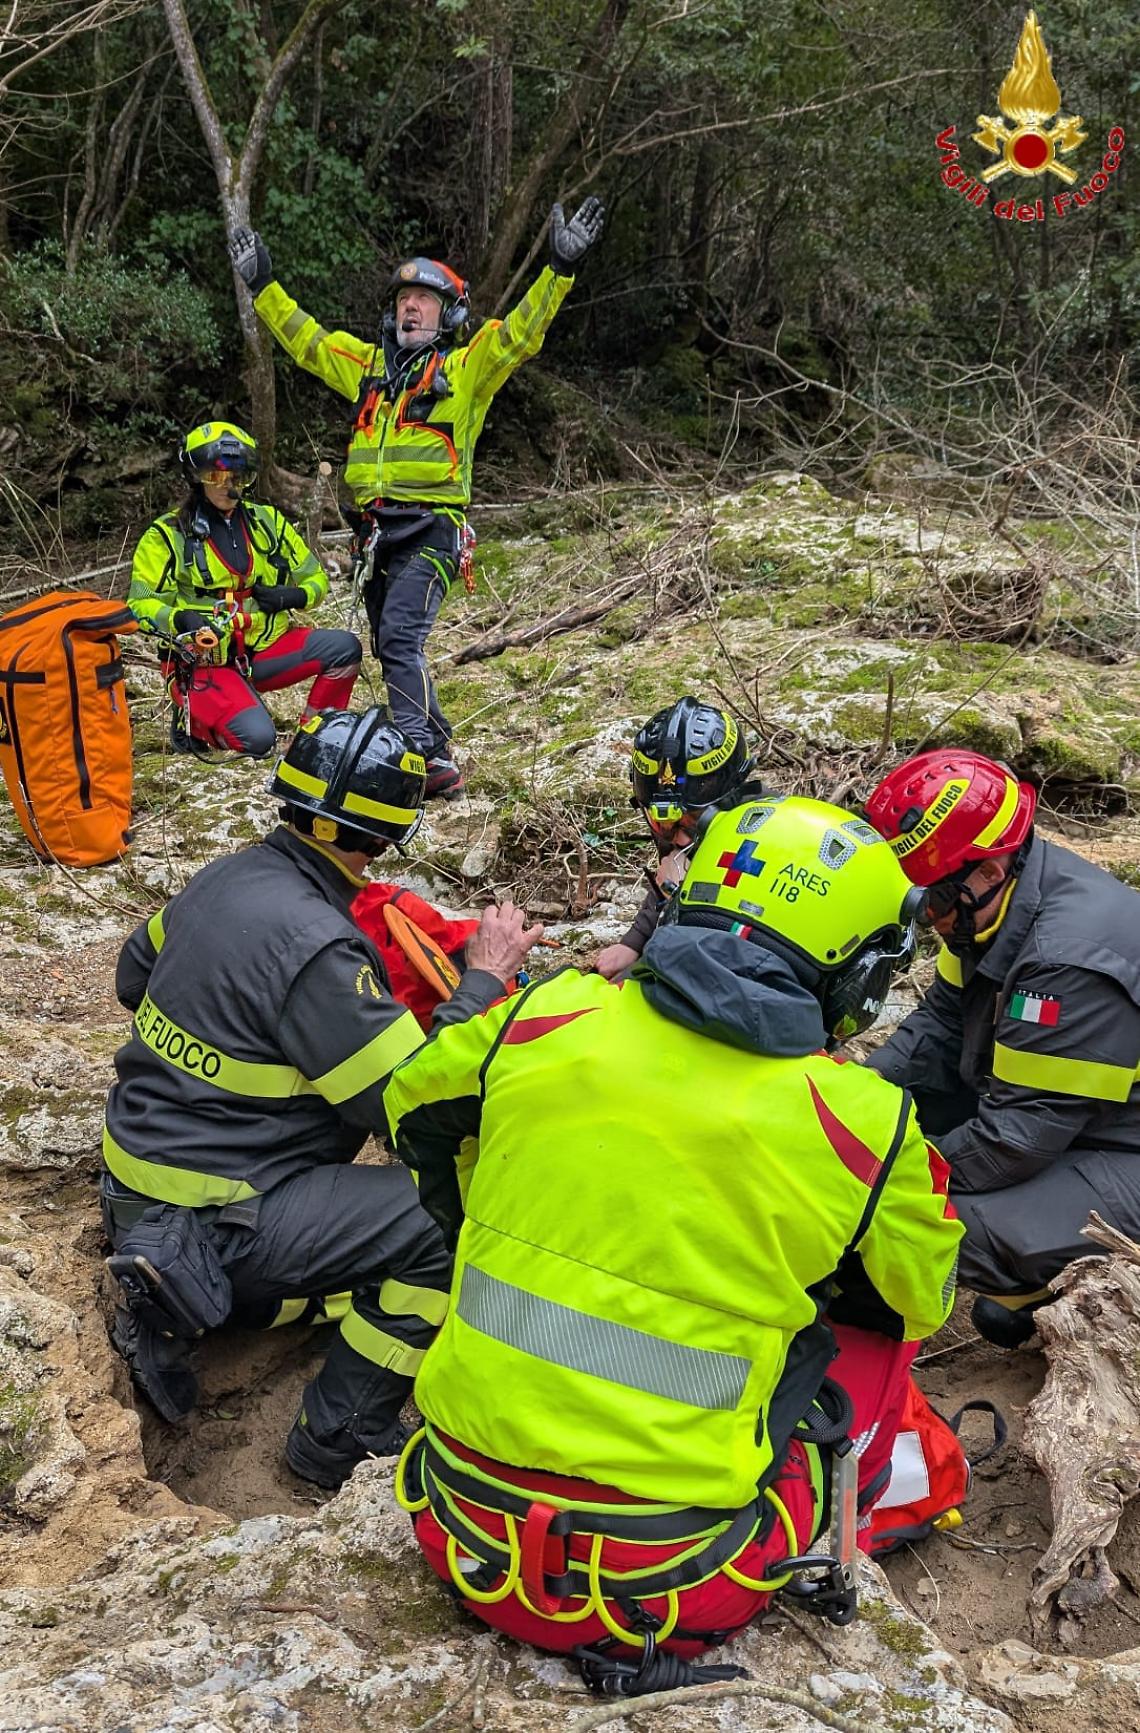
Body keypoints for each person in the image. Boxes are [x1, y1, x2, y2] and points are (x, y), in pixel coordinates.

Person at [384, 795, 960, 1689]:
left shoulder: (547, 1016)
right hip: (676, 1585)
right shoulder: (864, 1124)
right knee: (874, 1335)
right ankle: (848, 1536)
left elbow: (412, 1110)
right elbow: (919, 1299)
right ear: (853, 969)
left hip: (461, 1530)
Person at [101, 707, 542, 1489]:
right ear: (382, 837)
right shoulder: (320, 947)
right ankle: (337, 1438)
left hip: (133, 1190)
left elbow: (133, 976)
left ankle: (207, 1304)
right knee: (442, 1222)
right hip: (219, 1218)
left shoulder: (226, 877)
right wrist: (482, 980)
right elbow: (413, 1102)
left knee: (346, 1235)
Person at [226, 199, 605, 799]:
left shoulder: (466, 367)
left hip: (433, 530)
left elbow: (521, 335)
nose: (410, 305)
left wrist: (559, 267)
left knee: (401, 638)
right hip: (375, 535)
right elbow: (309, 343)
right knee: (387, 641)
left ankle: (418, 755)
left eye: (424, 300)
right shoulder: (368, 368)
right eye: (404, 298)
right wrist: (263, 284)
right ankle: (439, 753)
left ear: (447, 314)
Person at [864, 748, 1140, 1347]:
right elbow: (937, 1027)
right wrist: (854, 1100)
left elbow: (1013, 1141)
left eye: (931, 902)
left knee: (918, 1228)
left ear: (987, 869)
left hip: (1121, 1149)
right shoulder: (992, 908)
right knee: (892, 1128)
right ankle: (1043, 1272)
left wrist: (873, 1180)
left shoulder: (1067, 961)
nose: (925, 918)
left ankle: (1075, 1270)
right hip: (1075, 1117)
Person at [129, 421, 362, 758]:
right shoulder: (166, 535)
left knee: (344, 649)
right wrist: (179, 619)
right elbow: (139, 602)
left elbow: (316, 579)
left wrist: (294, 596)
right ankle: (191, 718)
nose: (229, 486)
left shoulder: (267, 521)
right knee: (258, 741)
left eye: (239, 477)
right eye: (216, 476)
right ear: (195, 476)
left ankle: (312, 742)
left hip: (261, 651)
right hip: (203, 661)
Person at [595, 697, 768, 980]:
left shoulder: (763, 836)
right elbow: (671, 868)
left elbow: (724, 956)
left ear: (733, 799)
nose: (677, 836)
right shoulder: (677, 820)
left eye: (690, 821)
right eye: (661, 821)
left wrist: (676, 895)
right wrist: (635, 940)